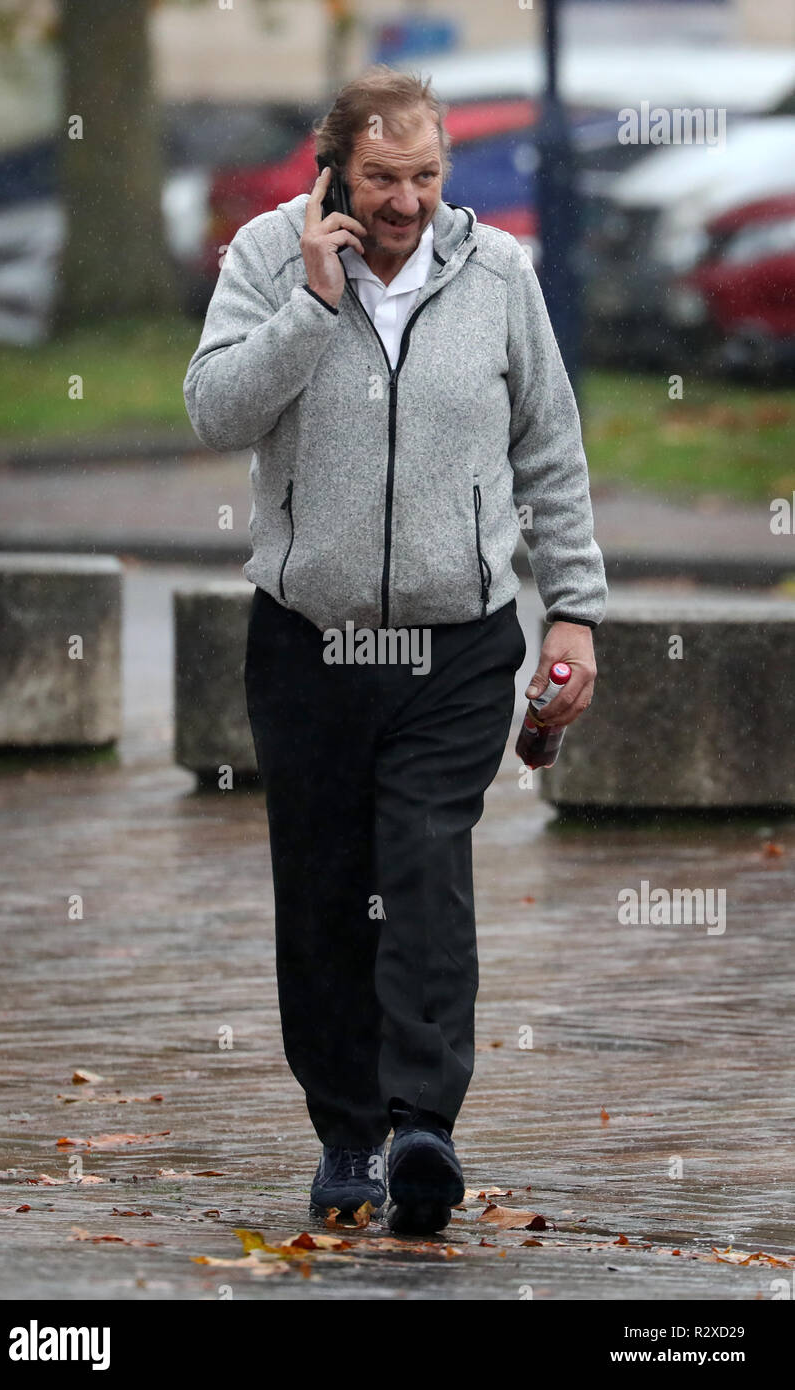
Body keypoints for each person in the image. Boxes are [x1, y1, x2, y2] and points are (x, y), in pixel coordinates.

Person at [183, 66, 607, 1235]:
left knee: (420, 862)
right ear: (331, 170)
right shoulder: (268, 258)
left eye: (423, 176)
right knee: (323, 887)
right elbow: (214, 410)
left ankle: (424, 1123)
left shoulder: (497, 275)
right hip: (306, 642)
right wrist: (310, 308)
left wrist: (571, 609)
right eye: (380, 178)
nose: (406, 200)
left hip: (455, 642)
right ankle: (345, 1135)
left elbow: (550, 453)